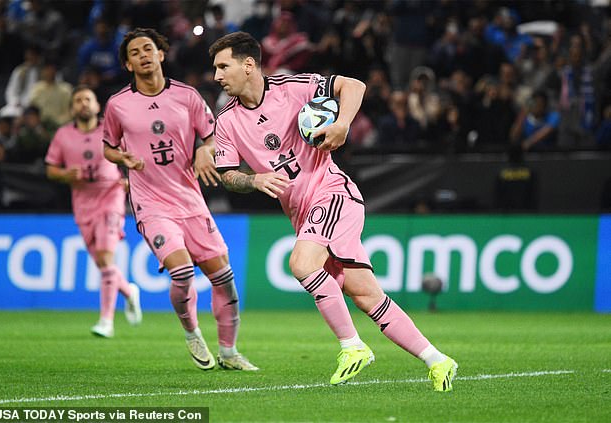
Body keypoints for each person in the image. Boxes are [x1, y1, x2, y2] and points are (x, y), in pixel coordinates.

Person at [209, 31, 458, 390]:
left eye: (222, 66)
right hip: (302, 212)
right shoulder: (227, 121)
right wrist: (254, 180)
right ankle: (438, 360)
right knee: (366, 295)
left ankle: (352, 346)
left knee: (300, 264)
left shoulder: (291, 87)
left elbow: (353, 86)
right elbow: (227, 175)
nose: (217, 75)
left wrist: (342, 124)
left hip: (332, 194)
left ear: (249, 65)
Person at [102, 28, 257, 371]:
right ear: (128, 64)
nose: (143, 55)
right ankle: (191, 333)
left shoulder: (187, 96)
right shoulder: (118, 105)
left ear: (161, 54)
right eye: (135, 52)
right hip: (151, 204)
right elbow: (108, 147)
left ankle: (229, 352)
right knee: (183, 272)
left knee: (224, 280)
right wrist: (122, 159)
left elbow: (214, 135)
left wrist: (206, 150)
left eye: (149, 48)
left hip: (190, 201)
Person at [45, 85, 142, 338]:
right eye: (78, 100)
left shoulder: (110, 129)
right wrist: (65, 174)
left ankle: (106, 321)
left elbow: (135, 155)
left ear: (97, 106)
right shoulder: (63, 135)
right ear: (72, 108)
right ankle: (130, 292)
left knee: (106, 257)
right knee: (102, 263)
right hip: (82, 202)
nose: (83, 104)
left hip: (110, 197)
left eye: (88, 99)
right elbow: (51, 169)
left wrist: (131, 180)